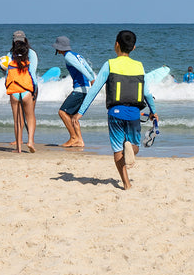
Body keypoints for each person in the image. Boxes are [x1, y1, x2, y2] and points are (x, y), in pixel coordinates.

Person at [78, 30, 158, 189]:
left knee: (117, 150)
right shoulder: (139, 66)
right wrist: (153, 112)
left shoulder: (109, 64)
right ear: (134, 47)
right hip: (134, 113)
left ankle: (126, 183)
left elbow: (94, 89)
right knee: (134, 147)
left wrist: (80, 112)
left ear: (116, 44)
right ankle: (131, 149)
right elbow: (147, 93)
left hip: (115, 113)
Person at [0, 31, 39, 153]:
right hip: (27, 90)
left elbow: (7, 74)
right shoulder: (31, 54)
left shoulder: (9, 55)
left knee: (17, 119)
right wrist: (34, 89)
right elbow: (32, 73)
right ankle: (31, 141)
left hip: (14, 91)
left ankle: (18, 147)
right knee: (30, 116)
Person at [55, 35, 94, 148]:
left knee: (62, 112)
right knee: (72, 116)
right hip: (85, 89)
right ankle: (80, 141)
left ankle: (73, 138)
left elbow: (81, 68)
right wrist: (92, 77)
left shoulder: (68, 56)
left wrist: (91, 79)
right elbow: (88, 68)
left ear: (59, 48)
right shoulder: (77, 55)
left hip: (79, 89)